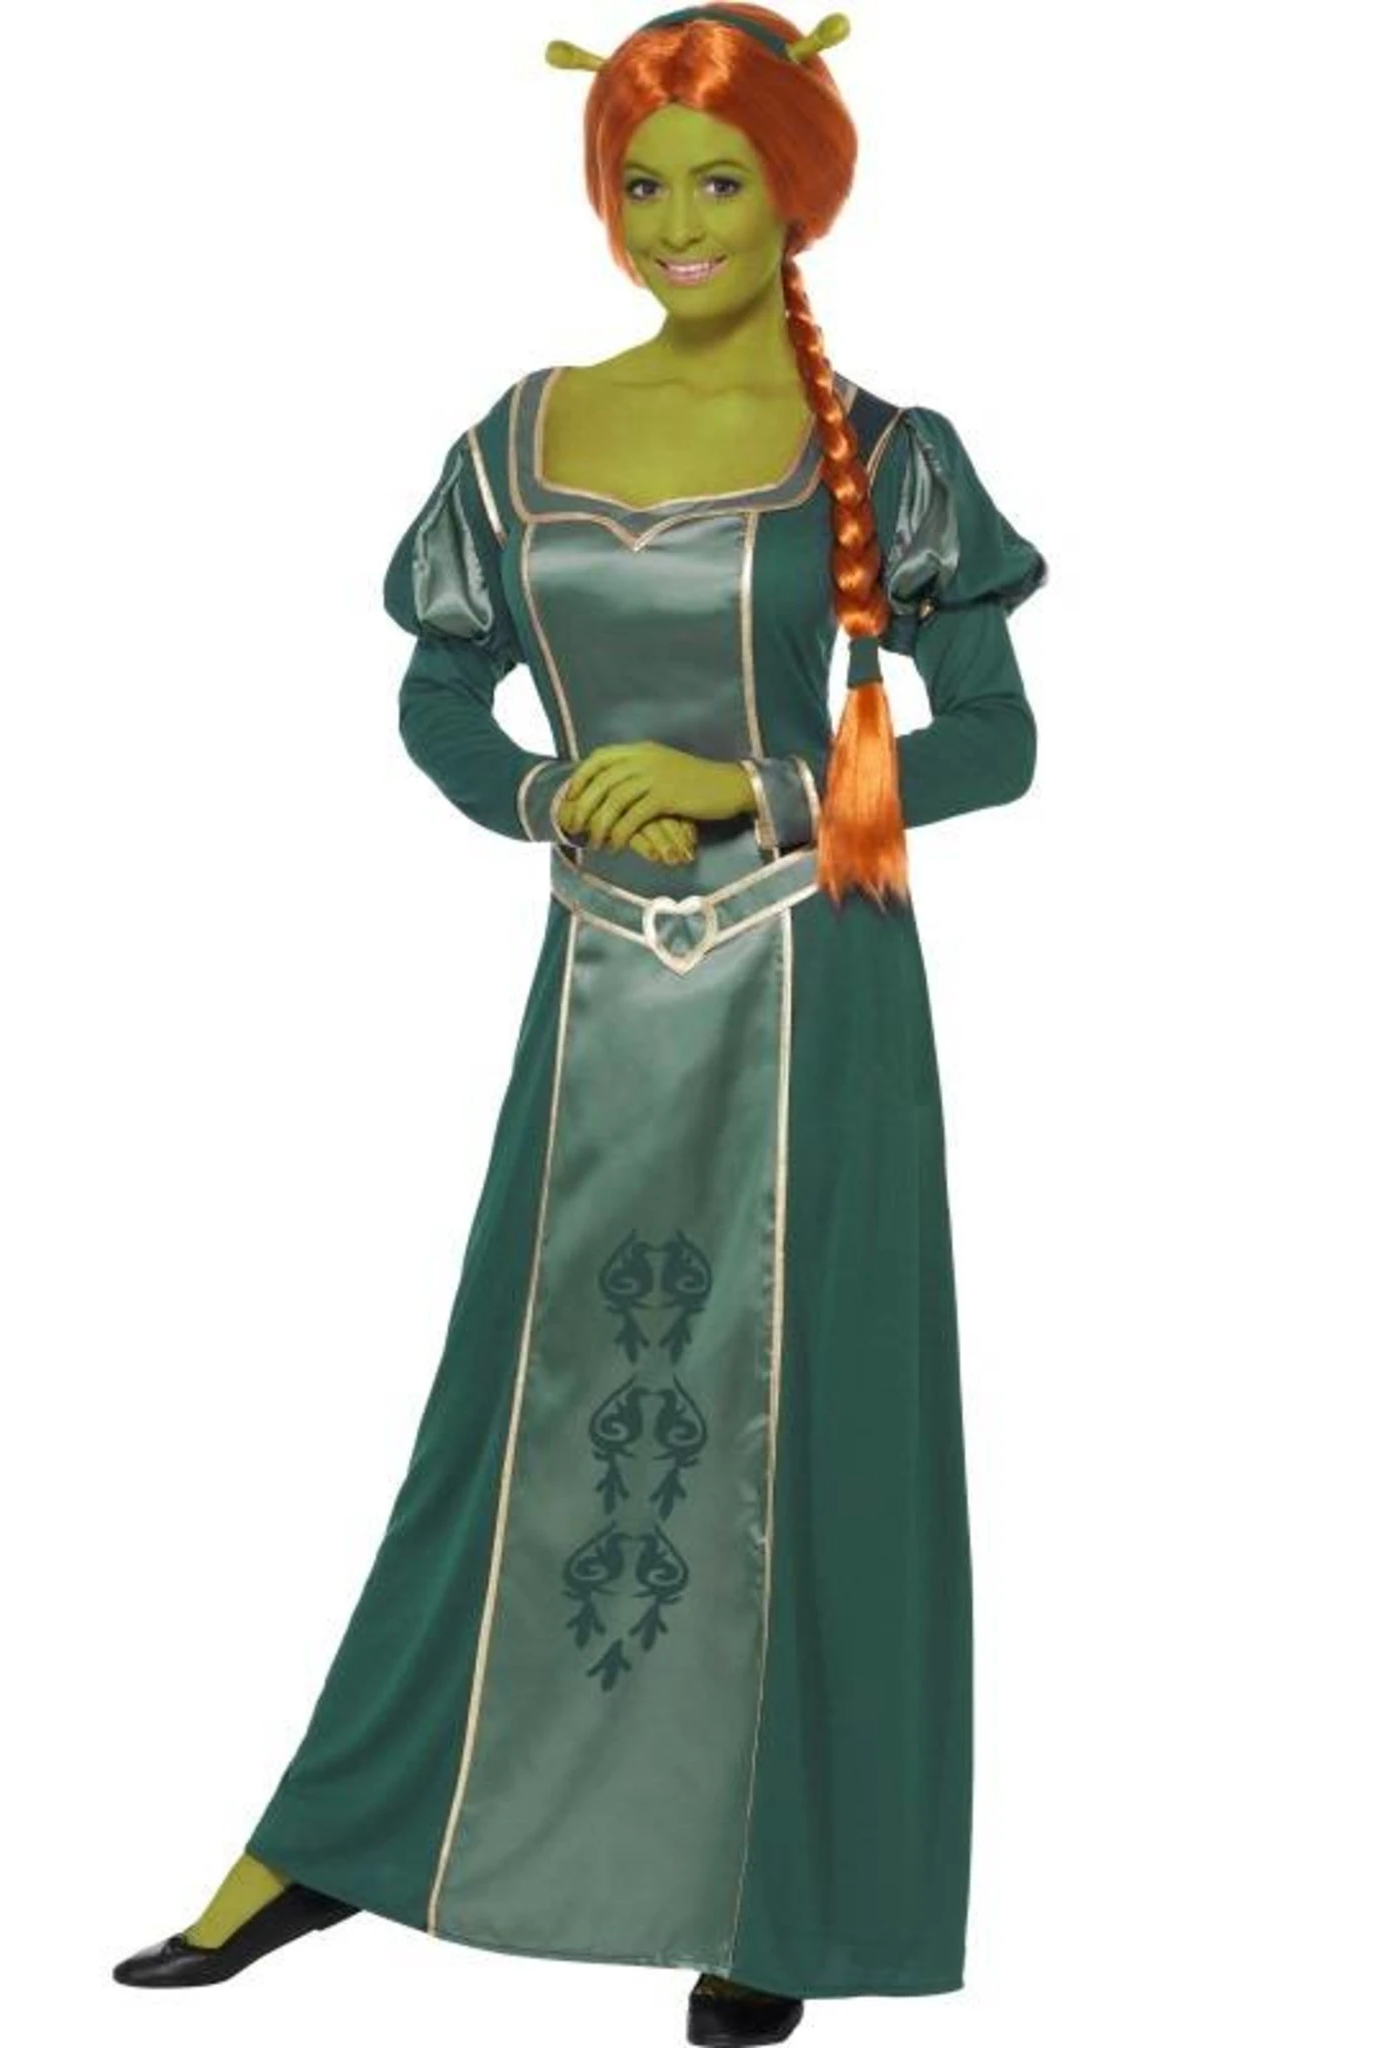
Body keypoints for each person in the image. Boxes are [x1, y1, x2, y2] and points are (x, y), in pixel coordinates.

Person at [112, 10, 1047, 2044]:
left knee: (815, 1427)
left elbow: (995, 740)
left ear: (797, 192)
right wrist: (548, 791)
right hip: (599, 986)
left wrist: (754, 787)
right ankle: (343, 1832)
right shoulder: (516, 434)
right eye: (641, 182)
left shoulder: (888, 451)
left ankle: (787, 1901)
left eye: (721, 179)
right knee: (511, 1405)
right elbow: (438, 695)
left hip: (816, 987)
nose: (676, 220)